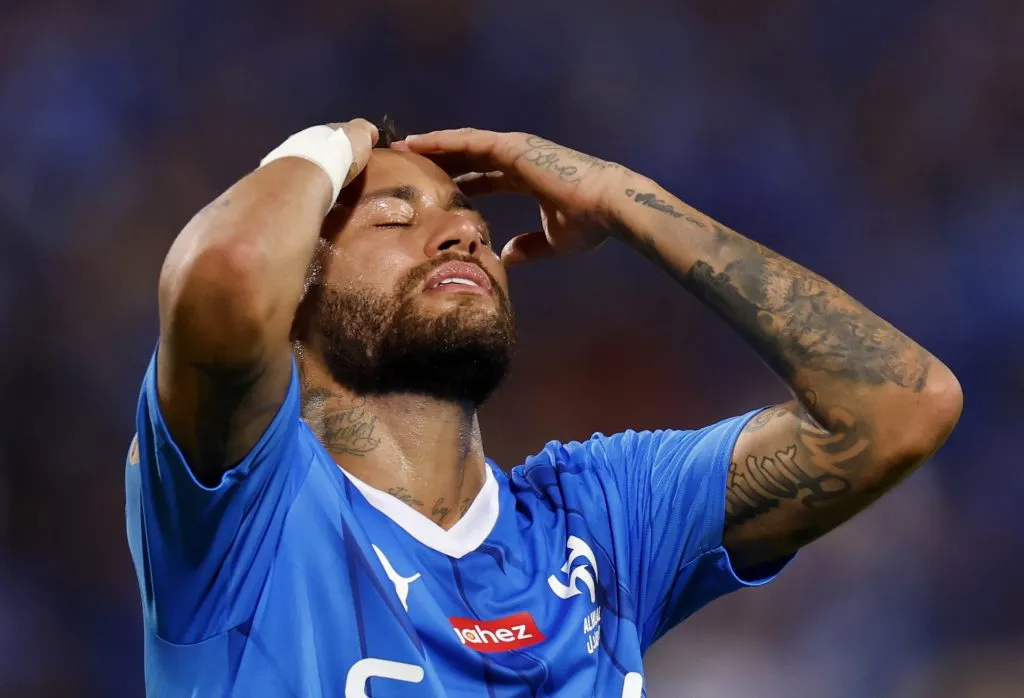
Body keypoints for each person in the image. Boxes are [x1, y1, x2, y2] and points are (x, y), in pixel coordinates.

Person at [124, 118, 962, 697]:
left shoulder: (598, 516)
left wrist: (625, 200)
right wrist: (325, 145)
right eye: (393, 217)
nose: (461, 235)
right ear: (296, 296)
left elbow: (900, 408)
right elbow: (227, 271)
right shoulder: (242, 507)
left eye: (471, 220)